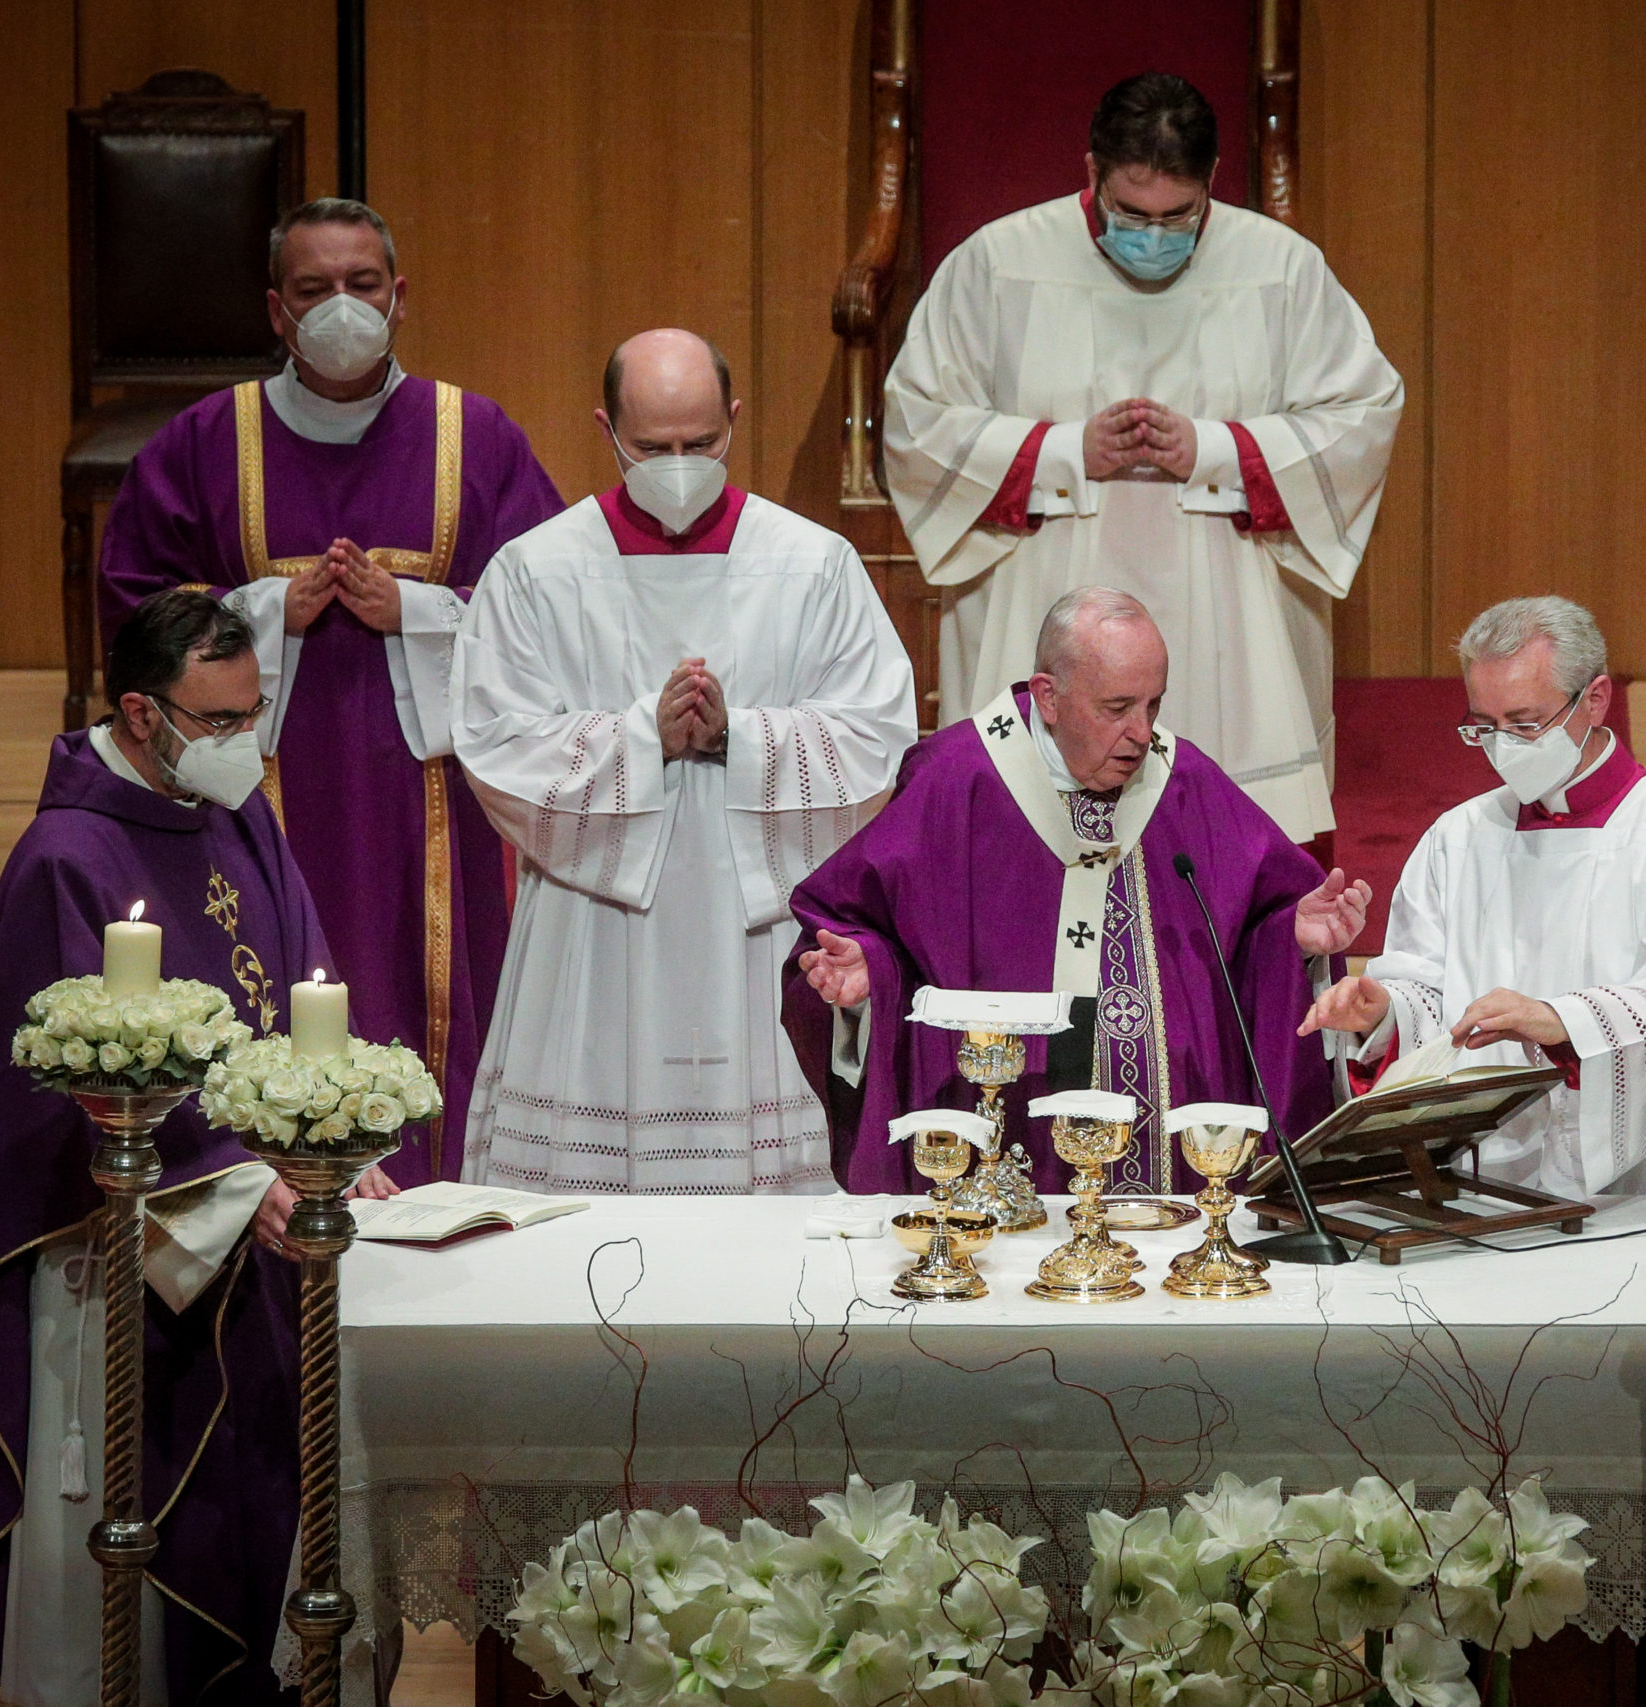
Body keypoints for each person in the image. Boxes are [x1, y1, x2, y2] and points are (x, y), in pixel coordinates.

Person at [0, 592, 398, 1700]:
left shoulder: (238, 811)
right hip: (121, 1264)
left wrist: (322, 1134)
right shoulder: (64, 855)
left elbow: (297, 981)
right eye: (216, 721)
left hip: (255, 1242)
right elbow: (62, 1095)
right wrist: (231, 1171)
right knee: (131, 1554)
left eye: (253, 713)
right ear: (139, 713)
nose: (241, 745)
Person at [99, 196, 567, 1187]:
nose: (340, 308)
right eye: (314, 290)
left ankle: (441, 1205)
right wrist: (267, 610)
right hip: (258, 786)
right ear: (277, 309)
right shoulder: (204, 441)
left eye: (362, 285)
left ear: (400, 297)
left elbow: (555, 606)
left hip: (433, 800)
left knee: (426, 991)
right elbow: (134, 609)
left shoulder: (473, 436)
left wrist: (422, 612)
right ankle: (272, 1215)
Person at [883, 72, 1403, 848]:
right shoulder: (997, 264)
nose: (1153, 236)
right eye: (1131, 213)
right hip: (1046, 576)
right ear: (1090, 171)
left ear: (1213, 183)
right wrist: (1061, 451)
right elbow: (916, 422)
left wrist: (1219, 450)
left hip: (1228, 598)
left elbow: (1363, 414)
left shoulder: (1282, 267)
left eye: (1178, 216)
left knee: (1223, 841)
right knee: (1033, 832)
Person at [452, 330, 918, 1195]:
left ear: (735, 423)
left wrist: (739, 736)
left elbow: (877, 734)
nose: (678, 465)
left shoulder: (812, 563)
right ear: (607, 430)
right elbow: (494, 745)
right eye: (653, 447)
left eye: (700, 444)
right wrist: (645, 739)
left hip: (758, 926)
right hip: (595, 932)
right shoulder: (536, 571)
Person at [785, 587, 1371, 1194]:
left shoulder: (1184, 779)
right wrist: (865, 975)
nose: (1142, 733)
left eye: (1153, 704)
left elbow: (1264, 909)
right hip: (994, 1153)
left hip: (1174, 1172)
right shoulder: (956, 780)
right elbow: (847, 917)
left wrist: (1291, 935)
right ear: (1049, 696)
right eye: (1117, 707)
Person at [1299, 596, 1646, 1201]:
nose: (1504, 747)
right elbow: (1428, 991)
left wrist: (1562, 1023)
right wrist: (1384, 1011)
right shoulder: (1458, 837)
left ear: (1595, 700)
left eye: (1525, 724)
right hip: (1483, 1171)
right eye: (1485, 727)